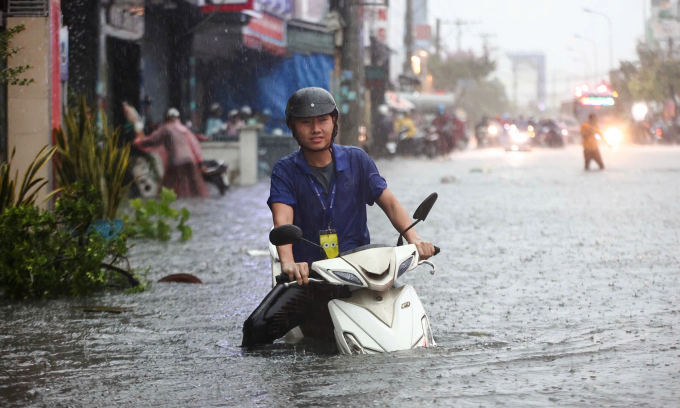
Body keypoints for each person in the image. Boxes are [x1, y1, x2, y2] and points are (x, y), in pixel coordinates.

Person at [242, 87, 435, 346]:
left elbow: (389, 203)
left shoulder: (357, 160)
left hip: (363, 275)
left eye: (322, 120)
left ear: (334, 122)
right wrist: (289, 263)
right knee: (255, 330)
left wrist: (414, 239)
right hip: (312, 278)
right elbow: (282, 221)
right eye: (306, 122)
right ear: (293, 127)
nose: (316, 129)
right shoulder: (285, 171)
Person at [134, 108, 208, 198]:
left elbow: (152, 141)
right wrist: (200, 162)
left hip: (175, 162)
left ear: (166, 118)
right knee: (193, 189)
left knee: (167, 189)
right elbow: (195, 146)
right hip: (190, 161)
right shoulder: (184, 129)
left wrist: (137, 142)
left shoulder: (165, 129)